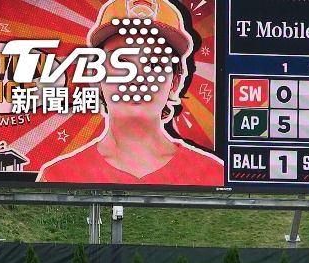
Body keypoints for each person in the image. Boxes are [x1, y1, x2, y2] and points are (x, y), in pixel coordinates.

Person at [36, 0, 224, 185]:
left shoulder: (214, 175)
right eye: (121, 62)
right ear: (97, 73)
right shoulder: (57, 176)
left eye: (153, 64)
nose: (137, 77)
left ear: (174, 81)